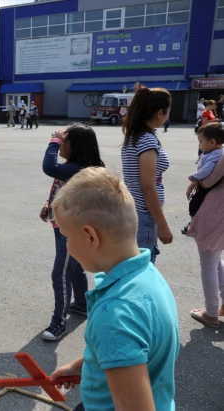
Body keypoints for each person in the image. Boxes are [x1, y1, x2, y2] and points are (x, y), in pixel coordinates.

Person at [49, 167, 179, 411]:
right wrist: (81, 367)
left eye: (66, 236)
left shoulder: (116, 314)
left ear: (90, 236)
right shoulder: (146, 275)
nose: (66, 245)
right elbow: (131, 348)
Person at [40, 125, 105, 341]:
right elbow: (64, 189)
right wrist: (49, 204)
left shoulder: (79, 169)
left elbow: (49, 167)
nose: (60, 146)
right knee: (74, 269)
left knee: (60, 273)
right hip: (66, 226)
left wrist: (53, 142)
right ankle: (82, 304)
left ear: (74, 146)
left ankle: (59, 322)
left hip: (72, 231)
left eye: (64, 143)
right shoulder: (75, 167)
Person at [121, 84, 173, 264]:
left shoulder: (134, 137)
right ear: (160, 113)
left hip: (135, 211)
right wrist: (163, 225)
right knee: (142, 268)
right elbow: (148, 187)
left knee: (134, 266)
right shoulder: (146, 141)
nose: (168, 116)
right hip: (144, 214)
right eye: (168, 112)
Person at [186, 128, 224, 328]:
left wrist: (194, 181)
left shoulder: (221, 155)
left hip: (217, 211)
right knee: (215, 259)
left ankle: (211, 314)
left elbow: (208, 179)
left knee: (209, 261)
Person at [182, 123, 224, 235]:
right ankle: (193, 223)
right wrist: (192, 184)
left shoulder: (216, 155)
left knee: (195, 205)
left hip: (209, 188)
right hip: (203, 185)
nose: (198, 145)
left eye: (200, 142)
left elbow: (207, 170)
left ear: (212, 142)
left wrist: (194, 177)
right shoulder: (211, 152)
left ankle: (193, 225)